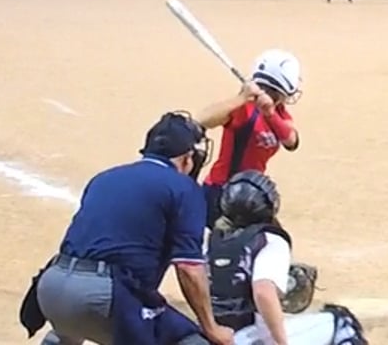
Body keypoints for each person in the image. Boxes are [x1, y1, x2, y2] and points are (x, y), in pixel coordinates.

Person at [20, 113, 234, 345]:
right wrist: (211, 328)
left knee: (72, 329)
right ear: (187, 157)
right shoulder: (184, 188)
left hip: (51, 287)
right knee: (192, 341)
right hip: (102, 296)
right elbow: (188, 268)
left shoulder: (103, 178)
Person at [206, 170, 368, 345]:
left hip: (213, 338)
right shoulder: (269, 240)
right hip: (252, 339)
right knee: (342, 322)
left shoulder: (209, 241)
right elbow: (263, 292)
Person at [196, 50, 303, 228]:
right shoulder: (244, 109)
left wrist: (269, 113)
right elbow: (201, 121)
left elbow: (291, 141)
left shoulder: (279, 112)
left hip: (251, 193)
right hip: (222, 192)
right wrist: (241, 98)